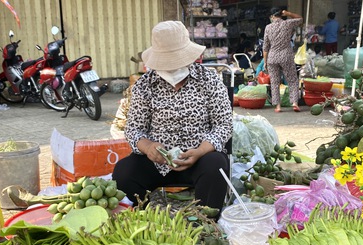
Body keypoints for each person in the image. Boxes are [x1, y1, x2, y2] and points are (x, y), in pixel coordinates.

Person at [112, 21, 233, 211]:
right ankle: (146, 215)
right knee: (124, 172)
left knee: (216, 165)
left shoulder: (209, 80)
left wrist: (200, 151)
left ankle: (206, 221)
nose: (172, 68)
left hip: (198, 159)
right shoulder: (145, 85)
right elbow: (134, 128)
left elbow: (223, 125)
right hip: (157, 163)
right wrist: (149, 147)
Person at [263, 7, 303, 113]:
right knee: (292, 80)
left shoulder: (268, 27)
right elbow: (300, 19)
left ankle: (278, 106)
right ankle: (294, 103)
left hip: (272, 57)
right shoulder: (288, 23)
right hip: (286, 56)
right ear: (282, 14)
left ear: (272, 16)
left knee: (274, 82)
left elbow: (265, 47)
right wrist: (289, 13)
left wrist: (265, 62)